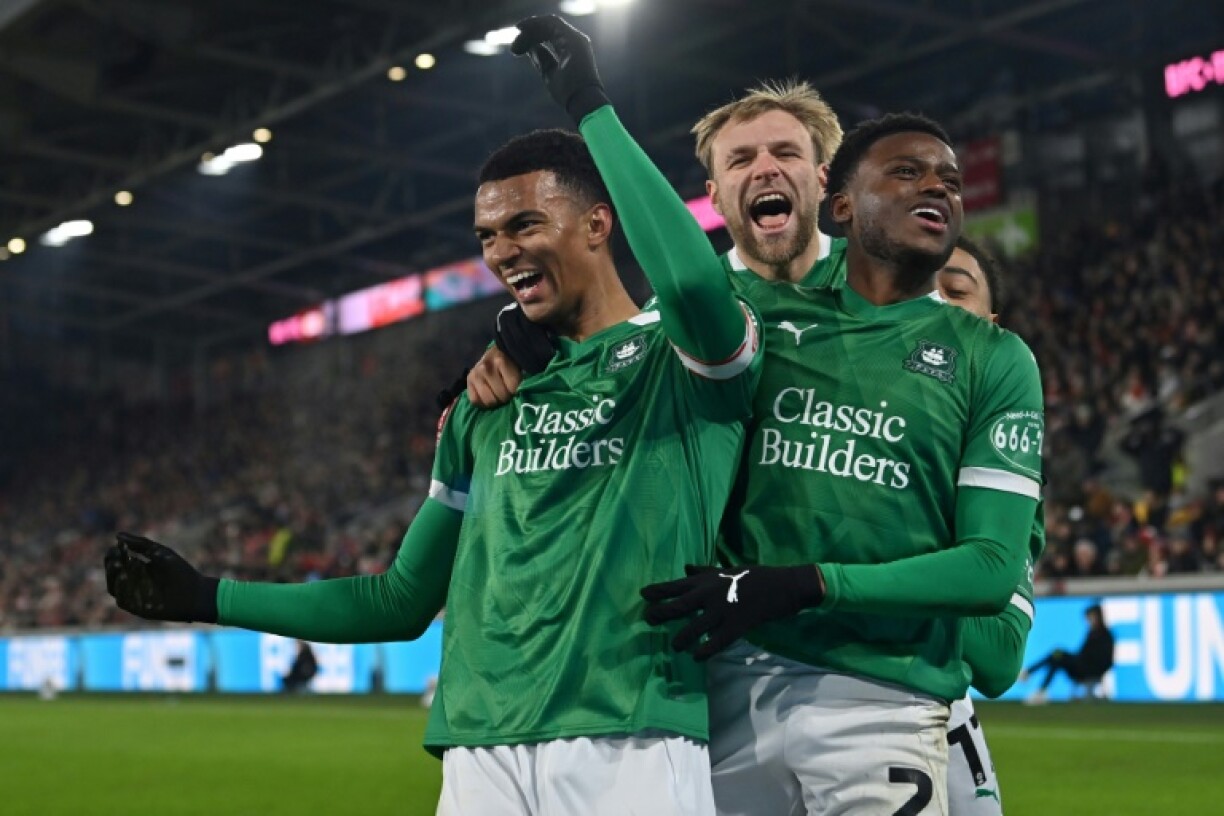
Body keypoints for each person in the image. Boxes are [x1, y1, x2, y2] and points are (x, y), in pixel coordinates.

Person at [104, 124, 764, 815]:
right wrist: (208, 598)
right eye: (486, 235)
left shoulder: (680, 362)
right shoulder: (484, 404)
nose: (501, 251)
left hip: (631, 734)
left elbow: (690, 279)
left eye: (524, 224)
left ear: (598, 223)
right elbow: (399, 599)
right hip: (478, 747)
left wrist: (590, 107)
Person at [502, 21, 1044, 812]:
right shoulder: (678, 330)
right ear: (713, 196)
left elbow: (994, 627)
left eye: (785, 153)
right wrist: (512, 348)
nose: (766, 168)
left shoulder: (912, 308)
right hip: (723, 678)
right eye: (741, 159)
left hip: (892, 688)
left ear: (827, 184)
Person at [1020, 603, 1115, 705]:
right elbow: (1083, 653)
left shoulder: (1105, 635)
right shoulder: (1091, 634)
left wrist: (1097, 670)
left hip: (1091, 670)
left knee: (1058, 654)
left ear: (1098, 617)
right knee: (1056, 657)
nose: (1089, 620)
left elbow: (1105, 659)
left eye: (1091, 617)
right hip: (1081, 666)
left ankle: (1030, 675)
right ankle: (1039, 688)